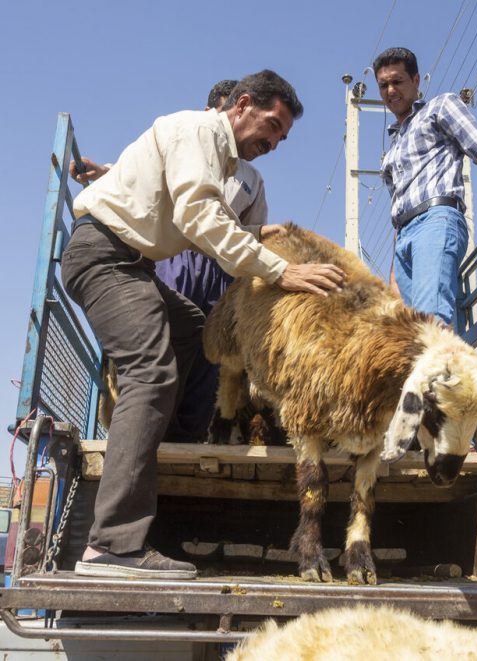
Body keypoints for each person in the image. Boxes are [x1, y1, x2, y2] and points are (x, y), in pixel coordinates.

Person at [62, 70, 346, 580]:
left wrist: (258, 233)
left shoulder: (218, 156)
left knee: (192, 326)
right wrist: (283, 269)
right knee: (151, 372)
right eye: (272, 126)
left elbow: (192, 216)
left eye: (281, 137)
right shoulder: (197, 131)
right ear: (242, 105)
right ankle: (111, 547)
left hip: (132, 263)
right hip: (105, 258)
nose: (273, 142)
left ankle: (157, 436)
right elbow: (200, 218)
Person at [71, 79, 283, 440]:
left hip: (220, 263)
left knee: (205, 344)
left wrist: (263, 249)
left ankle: (187, 432)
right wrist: (104, 172)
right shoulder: (191, 135)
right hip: (172, 255)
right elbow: (151, 181)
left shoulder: (249, 176)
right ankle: (147, 429)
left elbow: (251, 227)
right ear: (222, 111)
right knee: (153, 340)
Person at [373, 47, 477, 325]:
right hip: (404, 238)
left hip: (436, 220)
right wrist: (393, 276)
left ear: (416, 81)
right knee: (404, 331)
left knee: (431, 321)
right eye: (383, 85)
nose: (390, 90)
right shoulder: (391, 150)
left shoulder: (440, 107)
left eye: (397, 81)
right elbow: (398, 211)